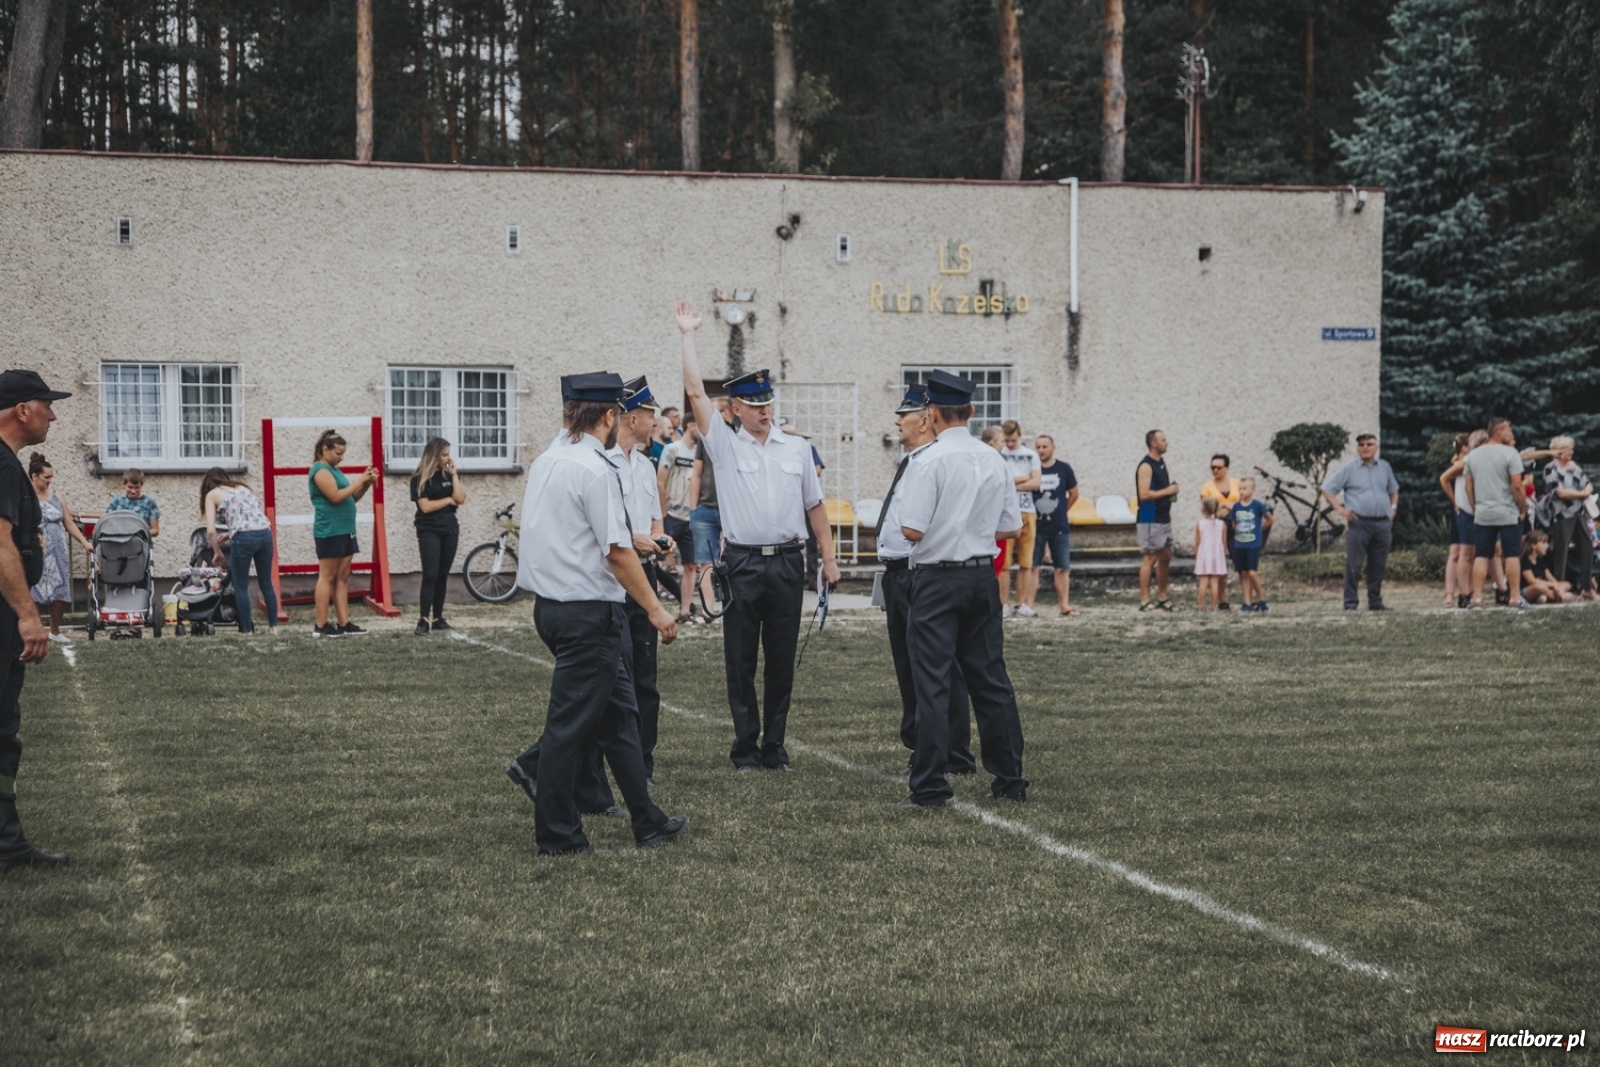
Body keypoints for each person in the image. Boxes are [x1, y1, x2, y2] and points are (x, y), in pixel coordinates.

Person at [505, 371, 686, 856]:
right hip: (587, 614)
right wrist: (656, 609)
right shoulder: (595, 468)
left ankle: (647, 820)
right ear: (610, 416)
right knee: (569, 729)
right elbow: (618, 552)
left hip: (554, 608)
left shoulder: (549, 458)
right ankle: (558, 836)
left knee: (619, 717)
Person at [676, 301, 840, 773]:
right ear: (735, 409)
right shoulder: (724, 445)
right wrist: (688, 335)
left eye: (768, 403)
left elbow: (814, 505)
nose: (765, 410)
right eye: (755, 405)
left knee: (782, 660)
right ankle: (745, 747)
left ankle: (775, 746)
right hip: (743, 562)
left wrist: (828, 559)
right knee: (741, 659)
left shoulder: (798, 448)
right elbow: (694, 390)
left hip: (787, 560)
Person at [895, 370, 1027, 808]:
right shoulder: (994, 459)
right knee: (990, 678)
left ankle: (930, 785)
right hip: (981, 576)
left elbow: (911, 529)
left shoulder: (928, 460)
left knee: (933, 683)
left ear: (931, 415)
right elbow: (1011, 526)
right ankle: (1009, 778)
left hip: (937, 578)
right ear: (970, 412)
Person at [877, 385, 976, 777]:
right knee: (909, 668)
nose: (897, 422)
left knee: (937, 669)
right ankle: (922, 748)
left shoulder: (934, 461)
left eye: (904, 415)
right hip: (898, 574)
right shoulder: (912, 461)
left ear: (924, 420)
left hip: (921, 572)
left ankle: (952, 755)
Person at [0, 369, 71, 870]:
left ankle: (8, 843)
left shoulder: (9, 464)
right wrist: (29, 616)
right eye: (47, 404)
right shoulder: (3, 466)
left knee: (4, 731)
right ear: (22, 409)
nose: (53, 414)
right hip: (3, 615)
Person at [615, 376, 673, 781]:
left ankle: (643, 763)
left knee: (645, 676)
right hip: (614, 579)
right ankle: (610, 761)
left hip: (645, 574)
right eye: (650, 415)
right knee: (614, 675)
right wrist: (633, 540)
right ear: (631, 418)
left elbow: (655, 520)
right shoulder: (604, 463)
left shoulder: (647, 464)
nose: (655, 422)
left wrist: (659, 539)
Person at [308, 429, 378, 637]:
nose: (341, 457)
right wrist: (359, 480)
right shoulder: (320, 470)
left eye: (343, 454)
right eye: (338, 453)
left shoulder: (334, 470)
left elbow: (351, 498)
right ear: (325, 449)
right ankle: (321, 625)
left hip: (346, 529)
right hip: (330, 530)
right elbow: (336, 497)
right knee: (327, 576)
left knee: (342, 577)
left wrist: (366, 483)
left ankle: (344, 623)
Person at [1321, 433, 1399, 611]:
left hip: (1383, 524)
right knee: (1354, 565)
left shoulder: (1385, 467)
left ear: (1376, 447)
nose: (1365, 447)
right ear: (1357, 448)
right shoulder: (1349, 469)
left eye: (1369, 444)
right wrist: (1339, 509)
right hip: (1359, 523)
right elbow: (1327, 489)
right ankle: (1350, 603)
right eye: (1361, 444)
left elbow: (1394, 490)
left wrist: (1393, 509)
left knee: (1378, 565)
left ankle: (1375, 602)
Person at [201, 468, 279, 635]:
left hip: (243, 538)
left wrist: (217, 552)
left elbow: (210, 531)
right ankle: (274, 627)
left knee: (240, 585)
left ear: (207, 484)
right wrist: (230, 534)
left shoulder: (212, 494)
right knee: (266, 583)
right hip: (265, 534)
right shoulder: (242, 487)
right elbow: (250, 518)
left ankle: (246, 630)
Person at [1463, 417, 1528, 609]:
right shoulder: (1510, 453)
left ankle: (1477, 598)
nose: (1511, 433)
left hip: (1483, 512)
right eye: (1508, 429)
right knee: (1512, 554)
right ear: (1499, 432)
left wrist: (1475, 507)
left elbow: (1468, 486)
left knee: (1481, 555)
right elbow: (1517, 485)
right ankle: (1514, 597)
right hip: (1507, 511)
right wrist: (1523, 508)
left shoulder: (1473, 455)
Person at [27, 454, 92, 643]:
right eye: (46, 477)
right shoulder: (26, 497)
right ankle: (37, 630)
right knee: (34, 590)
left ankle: (54, 631)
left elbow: (69, 523)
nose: (50, 481)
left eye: (51, 477)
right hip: (36, 549)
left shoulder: (57, 496)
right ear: (34, 476)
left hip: (57, 551)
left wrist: (85, 542)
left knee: (60, 589)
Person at [410, 437, 467, 636]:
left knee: (443, 575)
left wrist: (454, 475)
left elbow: (460, 498)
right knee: (430, 574)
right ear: (434, 456)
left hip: (449, 529)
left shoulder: (447, 474)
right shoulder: (419, 477)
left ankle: (438, 619)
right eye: (444, 455)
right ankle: (423, 620)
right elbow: (425, 507)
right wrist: (448, 500)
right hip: (429, 530)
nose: (448, 458)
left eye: (448, 454)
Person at [687, 397, 731, 616]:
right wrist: (693, 508)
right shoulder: (705, 440)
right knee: (706, 563)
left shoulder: (738, 437)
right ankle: (709, 611)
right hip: (704, 510)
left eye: (712, 412)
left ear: (727, 413)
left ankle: (732, 606)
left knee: (735, 561)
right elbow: (697, 473)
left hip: (732, 511)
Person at [996, 420, 1041, 618]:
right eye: (1006, 440)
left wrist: (1012, 484)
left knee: (1026, 561)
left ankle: (1021, 603)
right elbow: (999, 481)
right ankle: (1003, 603)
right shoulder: (999, 454)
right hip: (1005, 511)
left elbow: (1036, 482)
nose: (1009, 444)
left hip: (1027, 510)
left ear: (1020, 436)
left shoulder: (1031, 455)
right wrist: (1024, 478)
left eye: (1013, 440)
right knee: (1004, 563)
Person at [1542, 436, 1595, 600]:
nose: (1572, 452)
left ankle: (1587, 587)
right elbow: (1560, 493)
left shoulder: (1574, 466)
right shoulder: (1550, 468)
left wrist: (1586, 491)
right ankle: (1559, 589)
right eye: (1568, 449)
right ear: (1559, 451)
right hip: (1561, 515)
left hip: (1579, 513)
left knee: (1587, 546)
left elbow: (1588, 483)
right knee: (1562, 551)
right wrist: (1582, 494)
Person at [1030, 434, 1078, 616]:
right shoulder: (1032, 470)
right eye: (1038, 447)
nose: (1041, 450)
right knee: (1033, 567)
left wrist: (1062, 510)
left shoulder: (1064, 468)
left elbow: (1074, 493)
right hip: (1035, 526)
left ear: (1053, 448)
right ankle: (1029, 606)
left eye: (1044, 447)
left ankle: (1064, 605)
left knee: (1062, 568)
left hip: (1059, 526)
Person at [658, 418, 701, 625]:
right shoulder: (672, 449)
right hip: (671, 515)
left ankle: (685, 611)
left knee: (691, 565)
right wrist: (663, 513)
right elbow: (660, 481)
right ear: (691, 425)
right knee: (654, 561)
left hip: (690, 517)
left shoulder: (700, 453)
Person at [1136, 430, 1180, 611]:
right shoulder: (1146, 466)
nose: (1166, 442)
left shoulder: (1160, 462)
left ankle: (1162, 597)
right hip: (1150, 518)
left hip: (1163, 517)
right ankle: (1145, 601)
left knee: (1166, 555)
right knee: (1150, 557)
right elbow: (1144, 494)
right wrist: (1169, 491)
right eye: (1163, 440)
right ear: (1153, 443)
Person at [1199, 454, 1241, 610]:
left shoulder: (1236, 483)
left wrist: (1226, 506)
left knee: (1241, 562)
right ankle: (1222, 600)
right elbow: (1206, 506)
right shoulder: (1207, 487)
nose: (1215, 470)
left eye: (1219, 467)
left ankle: (1248, 599)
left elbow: (1244, 502)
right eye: (1212, 467)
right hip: (1216, 526)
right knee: (1219, 564)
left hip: (1236, 525)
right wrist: (1227, 507)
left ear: (1227, 468)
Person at [1438, 433, 1472, 608]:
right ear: (1464, 447)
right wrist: (1455, 503)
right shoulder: (1458, 465)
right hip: (1459, 510)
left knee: (1466, 553)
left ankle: (1466, 590)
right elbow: (1445, 482)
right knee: (1455, 553)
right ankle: (1449, 593)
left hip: (1463, 509)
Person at [1228, 477, 1272, 612]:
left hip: (1253, 544)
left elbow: (1270, 519)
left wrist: (1261, 529)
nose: (1242, 491)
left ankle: (1261, 600)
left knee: (1252, 572)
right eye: (1240, 488)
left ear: (1253, 489)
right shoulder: (1236, 506)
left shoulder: (1257, 505)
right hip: (1240, 545)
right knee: (1243, 573)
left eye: (1245, 488)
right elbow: (1233, 523)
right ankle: (1247, 602)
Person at [1193, 497, 1227, 611]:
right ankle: (1213, 607)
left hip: (1204, 555)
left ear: (1203, 509)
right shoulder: (1222, 524)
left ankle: (1201, 607)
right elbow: (1224, 542)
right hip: (1216, 555)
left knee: (1203, 581)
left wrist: (1197, 555)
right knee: (1214, 581)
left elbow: (1197, 542)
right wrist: (1222, 555)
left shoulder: (1200, 524)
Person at [1520, 530, 1572, 604]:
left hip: (1544, 586)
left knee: (1566, 584)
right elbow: (1531, 581)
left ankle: (1544, 597)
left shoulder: (1540, 560)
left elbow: (1551, 578)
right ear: (1534, 545)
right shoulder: (1525, 561)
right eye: (1543, 543)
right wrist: (1552, 585)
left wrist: (1557, 587)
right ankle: (1558, 597)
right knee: (1539, 587)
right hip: (1527, 589)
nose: (1547, 546)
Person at [105, 468, 161, 537]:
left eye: (137, 488)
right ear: (124, 484)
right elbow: (108, 521)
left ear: (142, 485)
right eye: (130, 487)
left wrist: (138, 533)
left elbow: (155, 530)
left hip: (140, 541)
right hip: (118, 540)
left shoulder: (149, 502)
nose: (133, 491)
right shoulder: (117, 500)